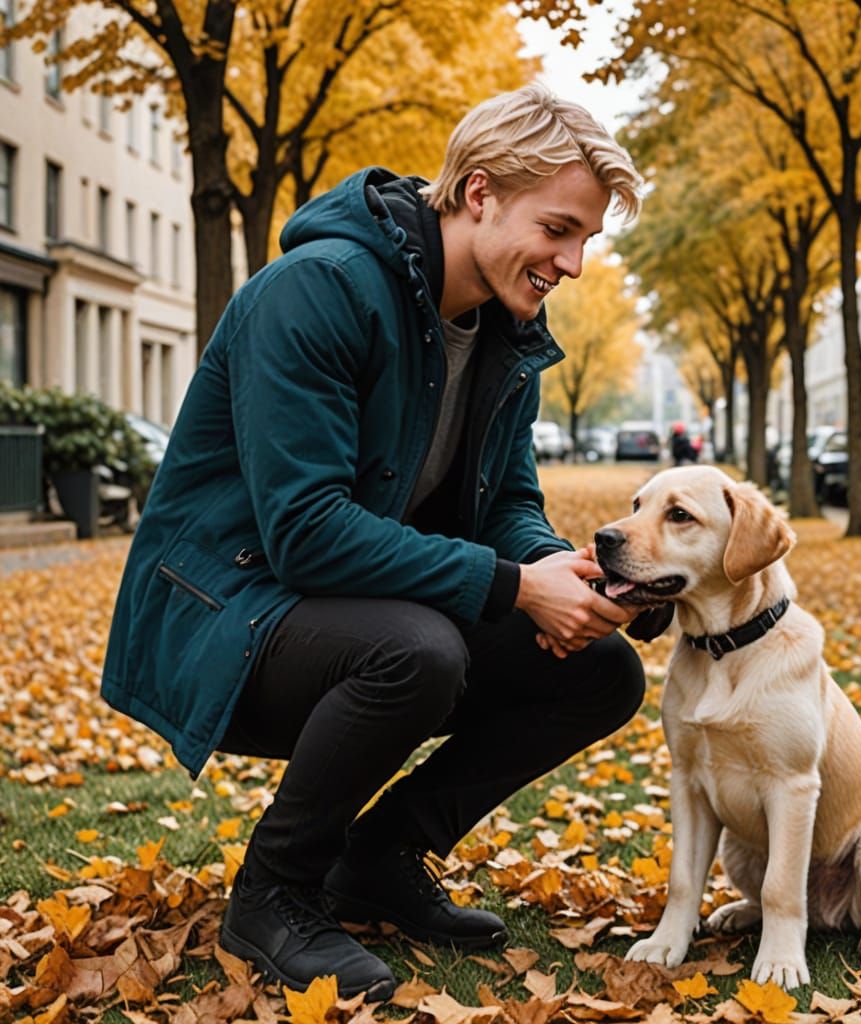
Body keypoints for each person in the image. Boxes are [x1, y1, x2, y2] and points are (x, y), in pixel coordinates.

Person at [102, 83, 661, 998]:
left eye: (586, 240)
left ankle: (379, 858)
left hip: (348, 612)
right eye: (558, 229)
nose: (573, 263)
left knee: (600, 673)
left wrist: (560, 573)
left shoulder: (505, 332)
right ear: (478, 192)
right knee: (419, 652)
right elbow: (307, 534)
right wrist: (516, 588)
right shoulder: (317, 292)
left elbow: (506, 506)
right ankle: (274, 895)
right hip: (228, 614)